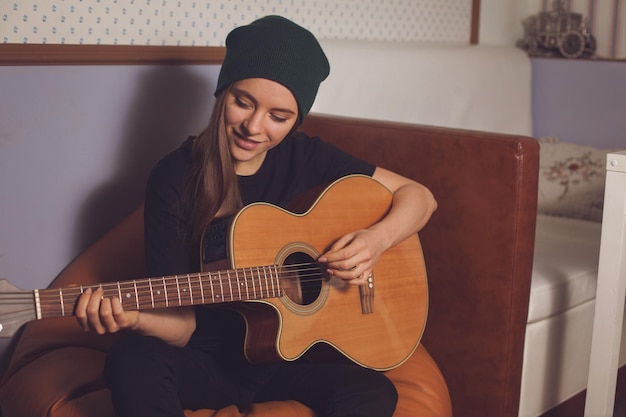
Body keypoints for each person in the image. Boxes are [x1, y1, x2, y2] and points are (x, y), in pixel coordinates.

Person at [75, 15, 437, 417]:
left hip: (291, 358)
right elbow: (183, 324)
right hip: (206, 364)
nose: (253, 126)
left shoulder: (307, 157)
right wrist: (134, 318)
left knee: (374, 393)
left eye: (278, 117)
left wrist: (375, 241)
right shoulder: (174, 178)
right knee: (132, 359)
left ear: (296, 120)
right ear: (222, 93)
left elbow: (419, 197)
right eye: (243, 102)